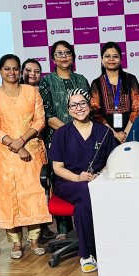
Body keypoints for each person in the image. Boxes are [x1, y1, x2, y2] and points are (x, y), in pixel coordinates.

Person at [0, 54, 51, 259]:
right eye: (7, 68)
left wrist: (22, 140)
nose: (11, 72)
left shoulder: (32, 92)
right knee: (10, 197)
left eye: (15, 68)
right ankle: (16, 243)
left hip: (32, 150)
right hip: (7, 155)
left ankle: (35, 240)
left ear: (20, 71)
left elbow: (40, 120)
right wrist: (13, 144)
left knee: (34, 196)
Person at [49, 89, 116, 273]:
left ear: (89, 106)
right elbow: (57, 168)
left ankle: (87, 254)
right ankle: (93, 250)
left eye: (82, 103)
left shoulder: (104, 132)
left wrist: (99, 175)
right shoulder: (62, 134)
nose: (79, 108)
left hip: (97, 182)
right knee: (86, 190)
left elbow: (112, 161)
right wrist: (78, 177)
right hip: (68, 183)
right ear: (68, 110)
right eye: (73, 105)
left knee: (82, 204)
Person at [38, 40, 89, 238]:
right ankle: (63, 232)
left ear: (73, 57)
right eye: (59, 54)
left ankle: (86, 228)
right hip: (58, 139)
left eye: (67, 52)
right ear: (53, 59)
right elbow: (48, 116)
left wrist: (80, 134)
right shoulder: (47, 82)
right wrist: (71, 133)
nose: (63, 57)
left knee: (83, 179)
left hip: (84, 139)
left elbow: (87, 109)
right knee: (62, 180)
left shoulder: (81, 80)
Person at [19, 58, 56, 243]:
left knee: (42, 187)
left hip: (40, 143)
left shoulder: (43, 91)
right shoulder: (15, 92)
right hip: (19, 146)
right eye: (28, 70)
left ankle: (42, 227)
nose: (32, 74)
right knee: (25, 190)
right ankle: (29, 229)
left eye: (36, 71)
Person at [90, 41, 139, 143]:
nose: (111, 59)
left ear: (121, 59)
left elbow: (137, 108)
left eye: (115, 56)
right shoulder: (96, 83)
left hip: (131, 131)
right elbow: (96, 114)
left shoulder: (130, 79)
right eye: (107, 56)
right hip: (106, 133)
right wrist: (115, 134)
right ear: (102, 59)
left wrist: (126, 134)